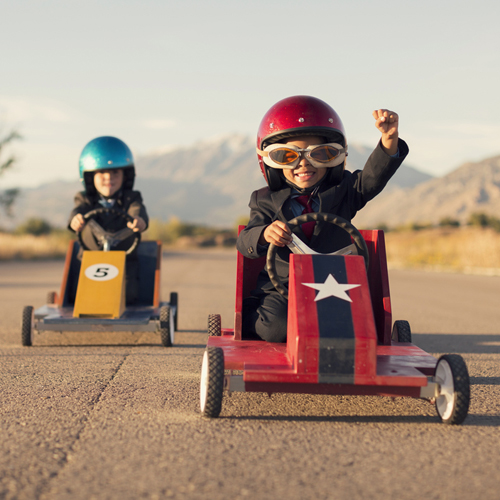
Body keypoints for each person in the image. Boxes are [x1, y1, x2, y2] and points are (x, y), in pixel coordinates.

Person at [236, 95, 409, 343]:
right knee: (275, 328)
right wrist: (265, 234)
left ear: (335, 157)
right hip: (282, 290)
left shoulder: (345, 190)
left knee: (356, 328)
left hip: (336, 286)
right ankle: (254, 317)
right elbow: (245, 241)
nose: (303, 164)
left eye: (320, 154)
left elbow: (372, 178)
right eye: (288, 157)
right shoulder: (264, 199)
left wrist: (389, 140)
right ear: (271, 161)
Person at [68, 136, 148, 304]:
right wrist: (75, 220)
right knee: (77, 293)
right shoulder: (84, 199)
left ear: (126, 176)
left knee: (130, 294)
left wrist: (138, 220)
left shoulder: (131, 198)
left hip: (124, 258)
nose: (108, 178)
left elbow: (137, 210)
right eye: (102, 173)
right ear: (90, 177)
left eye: (115, 173)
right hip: (90, 257)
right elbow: (77, 211)